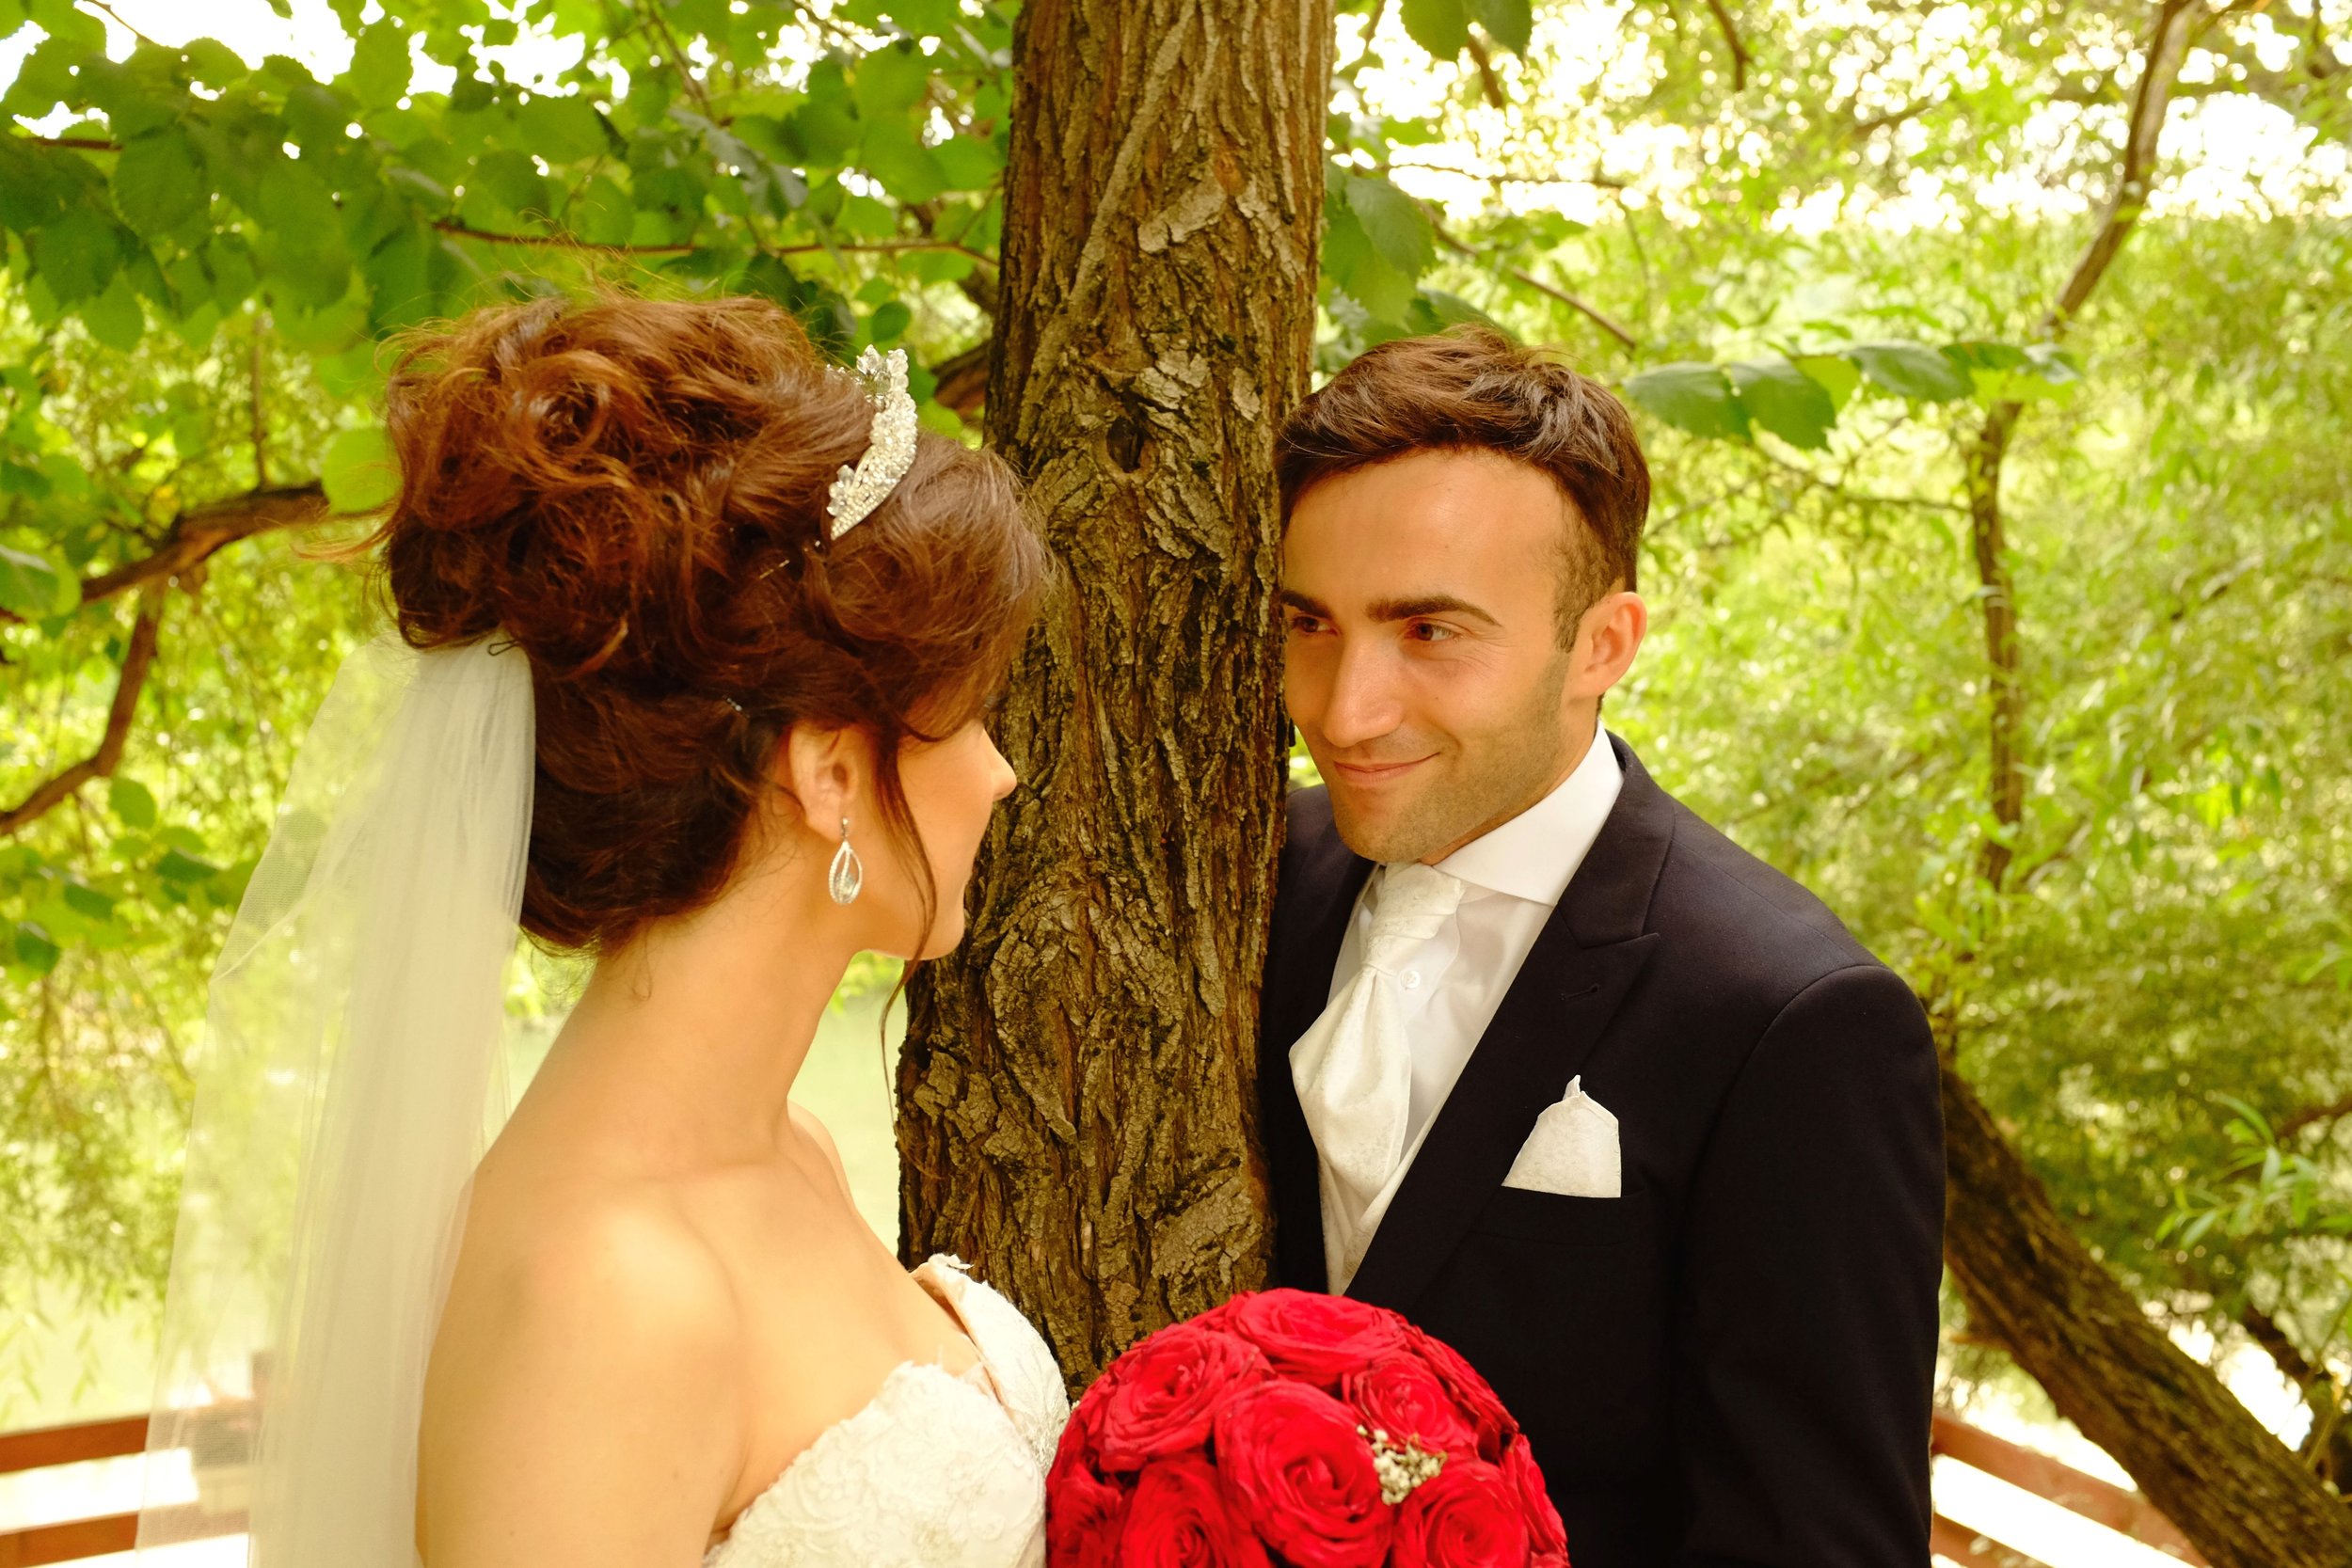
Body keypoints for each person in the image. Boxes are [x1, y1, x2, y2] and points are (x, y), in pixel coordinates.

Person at [138, 294, 1065, 1568]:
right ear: (833, 774)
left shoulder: (794, 1151)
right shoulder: (600, 1294)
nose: (1002, 772)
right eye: (969, 714)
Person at [1255, 327, 1947, 1567]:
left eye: (1430, 631)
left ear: (1604, 645)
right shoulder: (1258, 879)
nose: (1342, 712)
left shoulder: (1791, 1019)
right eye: (1311, 623)